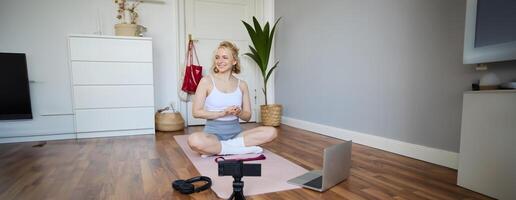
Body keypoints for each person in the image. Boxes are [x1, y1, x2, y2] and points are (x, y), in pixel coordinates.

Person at [187, 41, 277, 156]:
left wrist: (239, 112)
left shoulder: (242, 84)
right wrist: (222, 113)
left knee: (271, 132)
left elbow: (247, 116)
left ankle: (220, 149)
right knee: (194, 140)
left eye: (225, 57)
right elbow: (196, 112)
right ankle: (236, 149)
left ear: (234, 61)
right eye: (217, 57)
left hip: (236, 135)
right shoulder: (206, 81)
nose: (220, 61)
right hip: (213, 136)